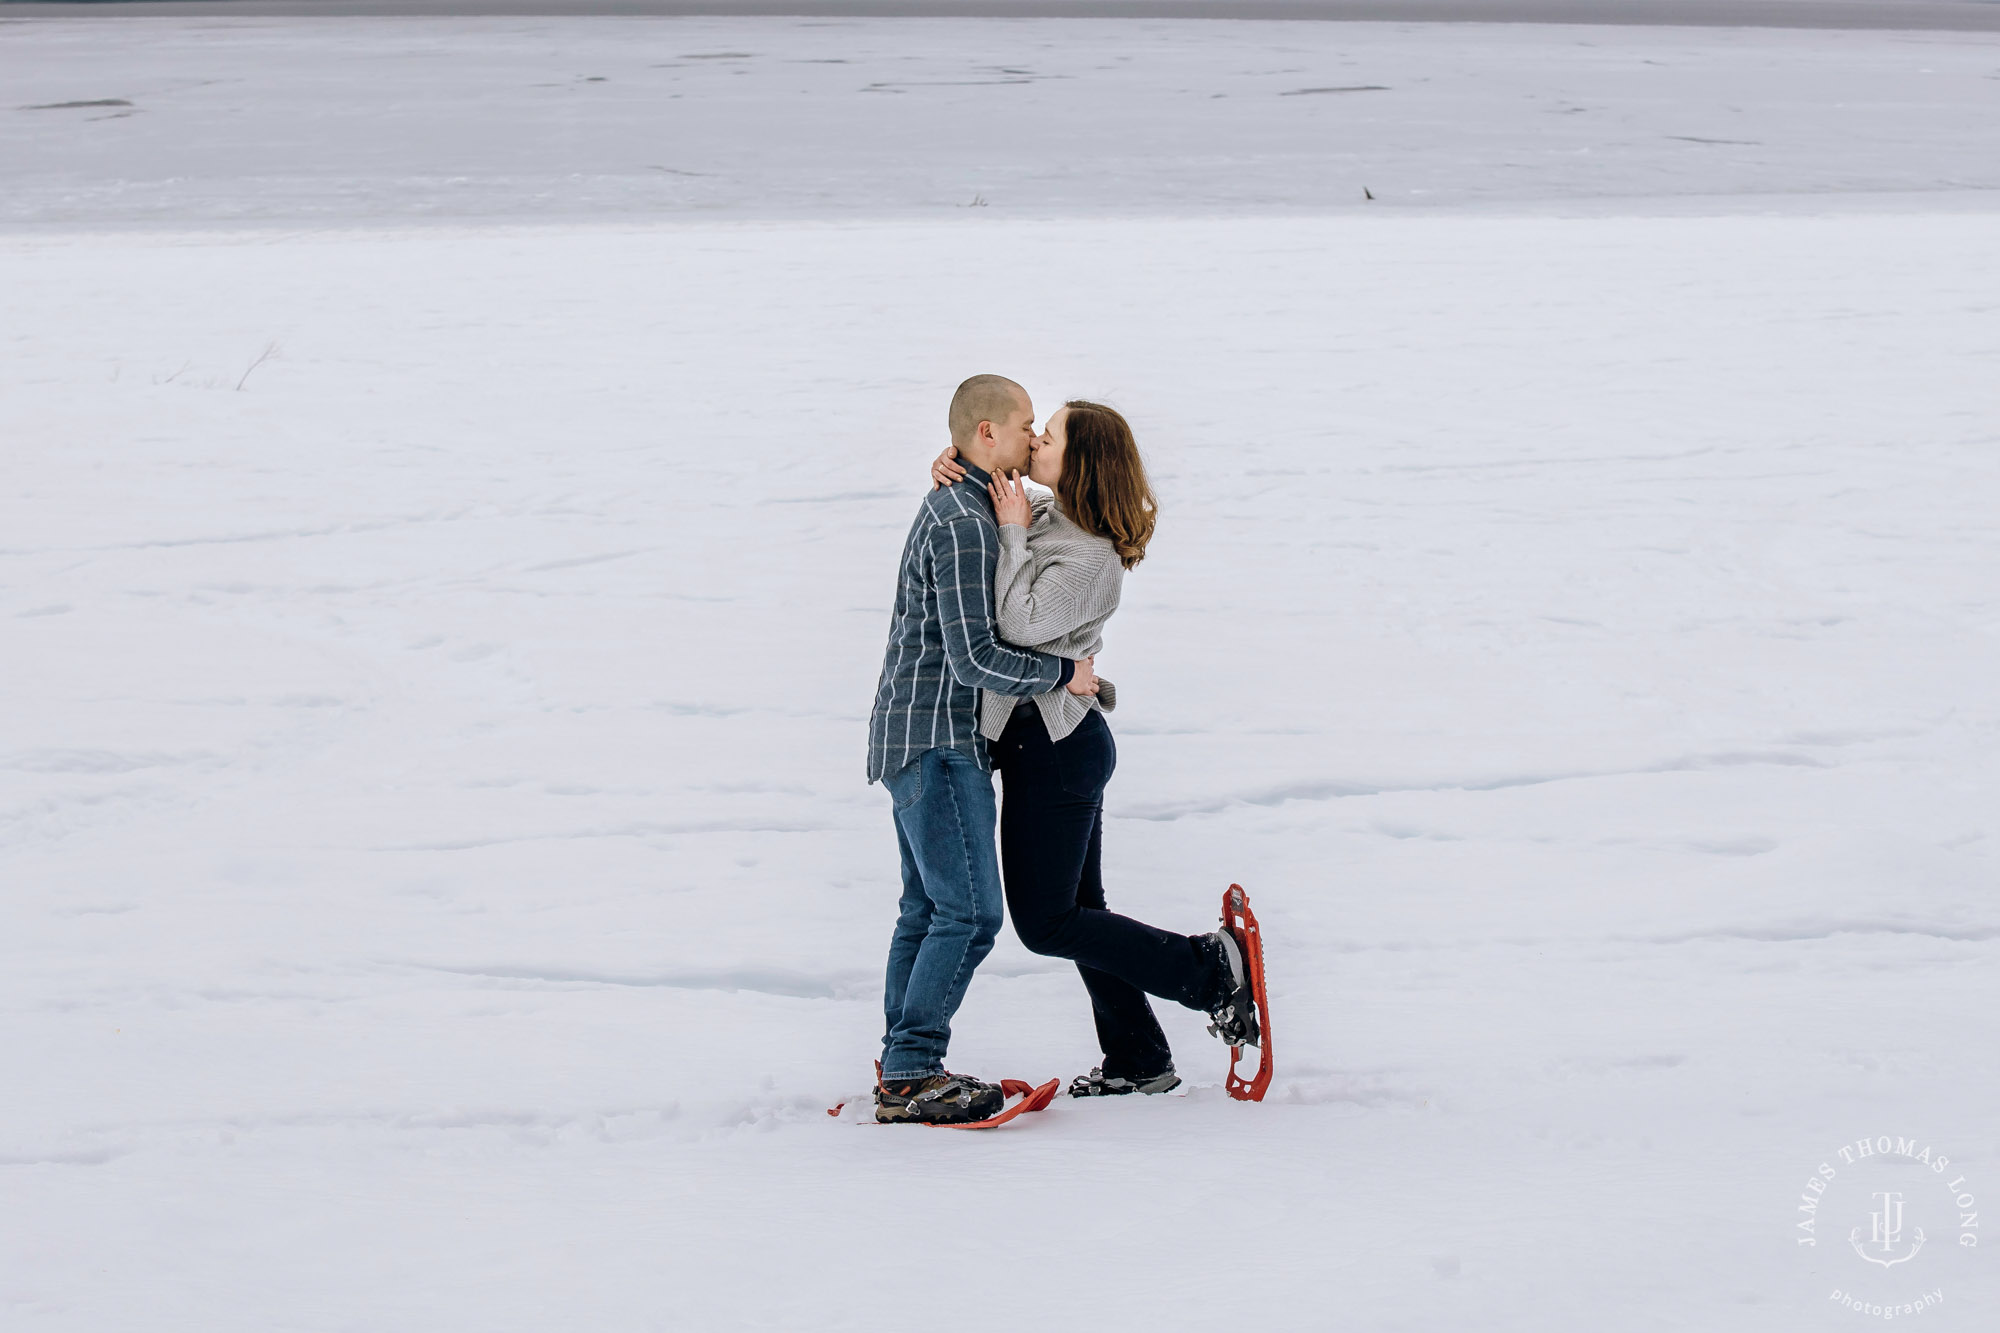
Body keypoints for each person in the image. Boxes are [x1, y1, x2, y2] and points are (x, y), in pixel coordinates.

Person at [930, 402, 1261, 1097]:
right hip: (1051, 740)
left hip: (1054, 746)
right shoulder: (1060, 517)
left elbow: (1016, 623)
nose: (1037, 441)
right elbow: (999, 484)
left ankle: (1209, 970)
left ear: (1078, 463)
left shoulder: (1090, 557)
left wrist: (1013, 533)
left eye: (1048, 437)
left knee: (1048, 922)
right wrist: (953, 466)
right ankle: (1138, 1057)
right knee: (1085, 912)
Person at [866, 374, 1102, 1125]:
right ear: (989, 435)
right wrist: (1066, 672)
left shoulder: (967, 500)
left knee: (925, 908)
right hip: (938, 733)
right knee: (969, 915)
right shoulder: (966, 519)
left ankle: (903, 1060)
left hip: (911, 731)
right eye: (1027, 425)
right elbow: (974, 658)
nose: (1036, 438)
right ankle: (910, 1069)